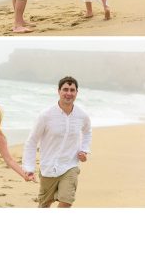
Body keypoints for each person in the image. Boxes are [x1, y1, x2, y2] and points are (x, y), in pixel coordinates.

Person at [22, 76, 92, 208]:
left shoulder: (82, 115)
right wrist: (29, 167)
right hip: (48, 167)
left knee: (67, 201)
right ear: (58, 91)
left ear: (77, 92)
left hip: (70, 165)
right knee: (44, 205)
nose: (69, 93)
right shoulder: (46, 115)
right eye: (65, 89)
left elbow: (87, 132)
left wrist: (84, 150)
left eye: (72, 90)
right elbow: (32, 141)